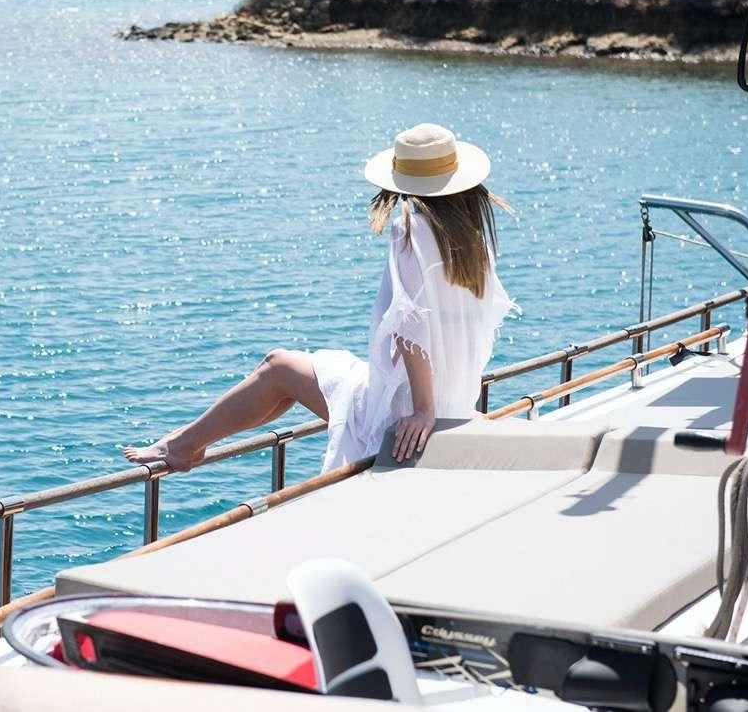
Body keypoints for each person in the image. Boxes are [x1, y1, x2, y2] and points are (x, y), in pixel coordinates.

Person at [123, 123, 515, 473]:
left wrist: (424, 411)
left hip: (404, 413)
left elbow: (410, 327)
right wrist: (452, 406)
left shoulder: (409, 229)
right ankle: (185, 443)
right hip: (453, 406)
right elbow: (471, 328)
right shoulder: (475, 241)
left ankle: (180, 447)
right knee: (288, 375)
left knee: (278, 367)